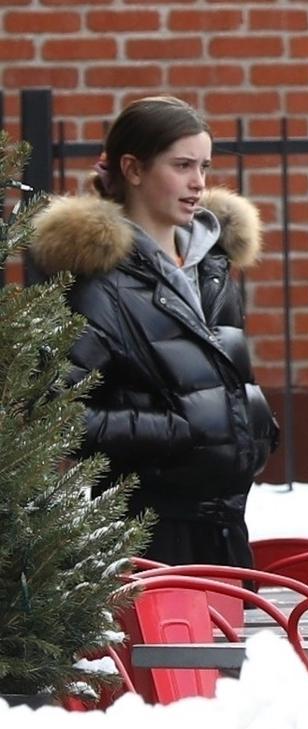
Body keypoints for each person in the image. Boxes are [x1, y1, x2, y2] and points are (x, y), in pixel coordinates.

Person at [31, 95, 279, 568]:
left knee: (232, 639)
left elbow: (217, 382)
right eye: (182, 165)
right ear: (134, 169)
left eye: (204, 165)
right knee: (174, 646)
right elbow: (54, 418)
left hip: (227, 523)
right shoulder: (102, 284)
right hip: (149, 535)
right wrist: (175, 430)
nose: (198, 183)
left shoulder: (212, 267)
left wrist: (256, 421)